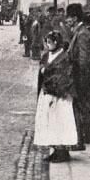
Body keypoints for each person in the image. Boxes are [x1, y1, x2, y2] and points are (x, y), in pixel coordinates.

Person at [34, 30, 79, 162]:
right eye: (47, 43)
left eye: (50, 42)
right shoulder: (47, 55)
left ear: (56, 42)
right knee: (49, 122)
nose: (48, 45)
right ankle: (55, 148)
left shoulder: (64, 57)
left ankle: (62, 151)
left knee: (60, 122)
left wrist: (48, 74)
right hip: (47, 93)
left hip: (59, 96)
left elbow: (64, 76)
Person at [65, 3, 90, 146]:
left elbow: (84, 60)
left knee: (85, 105)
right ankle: (87, 134)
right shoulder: (80, 32)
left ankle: (88, 135)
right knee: (85, 105)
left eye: (69, 17)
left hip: (83, 76)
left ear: (74, 18)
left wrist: (79, 77)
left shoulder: (82, 34)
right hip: (83, 75)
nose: (67, 20)